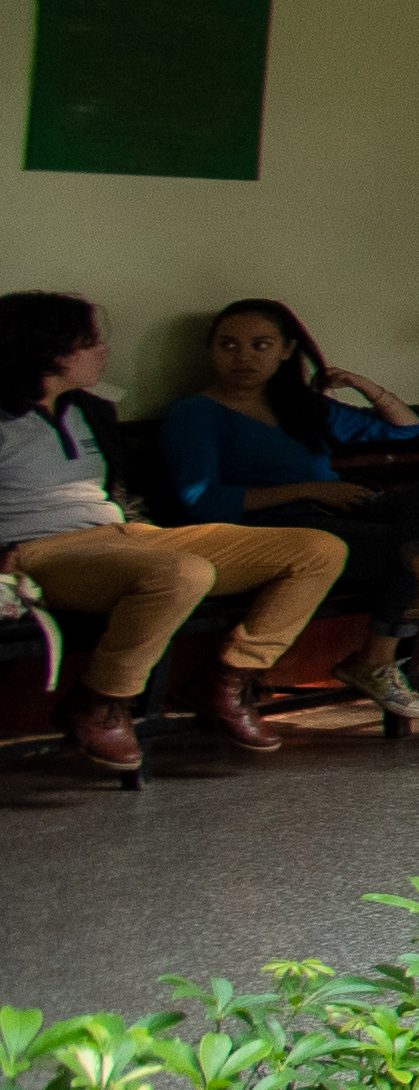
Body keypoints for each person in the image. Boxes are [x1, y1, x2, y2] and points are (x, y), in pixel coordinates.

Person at [0, 290, 348, 772]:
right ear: (50, 353)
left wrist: (137, 528)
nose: (104, 352)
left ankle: (227, 680)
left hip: (124, 535)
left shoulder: (91, 408)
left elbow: (114, 488)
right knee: (182, 573)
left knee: (318, 548)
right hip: (38, 551)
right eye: (90, 343)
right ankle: (99, 703)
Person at [145, 299, 419, 727]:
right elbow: (204, 502)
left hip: (328, 515)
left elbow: (405, 427)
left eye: (260, 345)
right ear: (212, 351)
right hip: (266, 531)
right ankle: (381, 654)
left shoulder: (299, 407)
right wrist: (311, 488)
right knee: (402, 550)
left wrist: (361, 384)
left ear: (286, 351)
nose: (243, 357)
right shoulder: (195, 414)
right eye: (228, 345)